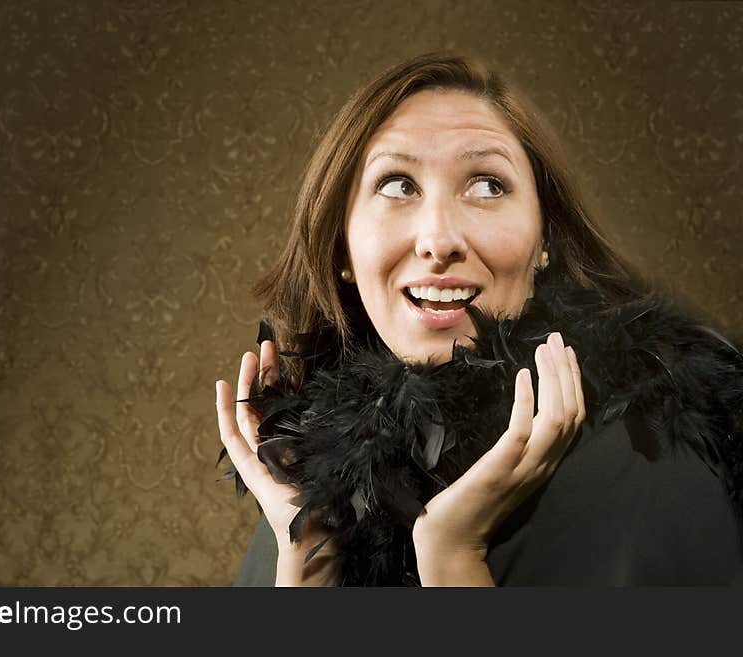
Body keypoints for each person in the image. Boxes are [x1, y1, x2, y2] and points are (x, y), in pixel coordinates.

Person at [215, 52, 743, 586]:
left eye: (487, 185)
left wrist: (453, 558)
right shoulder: (315, 492)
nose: (439, 241)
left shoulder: (652, 466)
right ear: (343, 248)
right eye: (398, 185)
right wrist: (308, 559)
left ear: (545, 241)